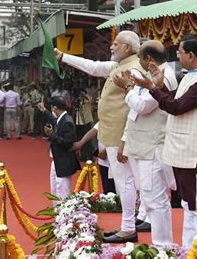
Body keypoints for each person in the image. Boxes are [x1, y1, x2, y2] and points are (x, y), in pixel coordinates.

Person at [55, 30, 144, 243]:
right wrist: (64, 57)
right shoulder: (119, 67)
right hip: (112, 132)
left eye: (116, 44)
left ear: (127, 48)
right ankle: (129, 224)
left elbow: (135, 110)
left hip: (119, 134)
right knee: (126, 181)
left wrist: (124, 139)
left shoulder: (133, 70)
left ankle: (129, 227)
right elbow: (94, 67)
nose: (111, 47)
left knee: (126, 182)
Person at [131, 34, 197, 249]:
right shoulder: (194, 75)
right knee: (190, 206)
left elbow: (177, 107)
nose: (177, 55)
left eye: (179, 51)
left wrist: (152, 88)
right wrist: (156, 86)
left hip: (196, 154)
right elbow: (176, 101)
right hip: (186, 153)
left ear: (191, 55)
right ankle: (190, 250)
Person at [113, 40, 177, 247]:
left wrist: (129, 88)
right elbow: (134, 114)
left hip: (152, 147)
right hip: (141, 145)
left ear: (148, 58)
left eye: (139, 57)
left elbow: (142, 106)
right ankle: (162, 246)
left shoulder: (164, 77)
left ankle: (162, 247)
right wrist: (125, 140)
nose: (138, 62)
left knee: (155, 201)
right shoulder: (152, 75)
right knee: (151, 200)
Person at [38, 97, 80, 202]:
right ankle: (57, 212)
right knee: (55, 189)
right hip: (57, 159)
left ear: (55, 108)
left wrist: (51, 135)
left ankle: (64, 214)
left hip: (64, 161)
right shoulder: (62, 118)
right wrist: (45, 111)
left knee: (62, 189)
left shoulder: (67, 121)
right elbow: (54, 121)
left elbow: (67, 143)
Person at [71, 122, 116, 194]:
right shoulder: (104, 117)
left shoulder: (117, 118)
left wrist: (107, 150)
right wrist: (81, 143)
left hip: (114, 161)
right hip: (103, 162)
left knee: (115, 189)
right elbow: (94, 130)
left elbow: (119, 137)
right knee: (107, 189)